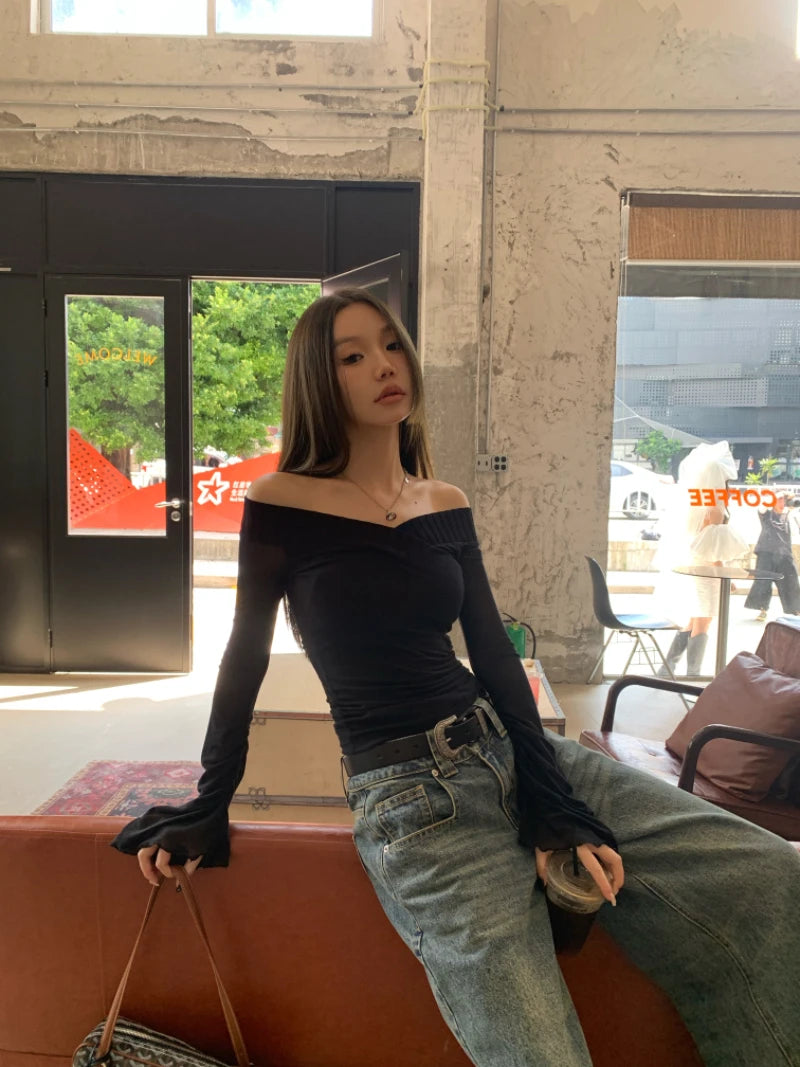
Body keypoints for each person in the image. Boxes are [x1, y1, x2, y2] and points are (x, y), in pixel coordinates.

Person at [111, 289, 800, 1067]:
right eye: (352, 356)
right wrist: (211, 799)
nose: (384, 366)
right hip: (412, 798)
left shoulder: (443, 502)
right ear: (319, 382)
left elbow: (493, 654)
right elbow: (245, 655)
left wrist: (550, 799)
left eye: (390, 345)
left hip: (506, 744)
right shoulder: (283, 502)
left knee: (767, 876)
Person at [655, 441, 749, 678]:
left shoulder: (699, 503)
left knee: (694, 619)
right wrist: (723, 574)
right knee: (703, 622)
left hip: (696, 566)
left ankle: (666, 669)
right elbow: (711, 547)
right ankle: (693, 675)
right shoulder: (714, 507)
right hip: (707, 571)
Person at [744, 491, 800, 621]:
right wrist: (776, 495)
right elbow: (762, 507)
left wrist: (791, 504)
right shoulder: (766, 514)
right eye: (779, 500)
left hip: (784, 554)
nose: (782, 503)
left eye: (783, 500)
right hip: (766, 554)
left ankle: (796, 610)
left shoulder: (789, 516)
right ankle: (762, 610)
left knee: (791, 582)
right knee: (763, 583)